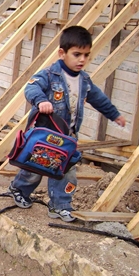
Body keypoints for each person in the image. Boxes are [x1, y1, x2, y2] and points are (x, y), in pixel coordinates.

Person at [9, 25, 126, 222]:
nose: (82, 60)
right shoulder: (48, 75)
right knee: (35, 168)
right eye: (77, 54)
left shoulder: (84, 81)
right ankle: (18, 189)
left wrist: (114, 115)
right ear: (62, 53)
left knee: (65, 171)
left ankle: (60, 205)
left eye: (86, 55)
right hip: (44, 136)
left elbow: (99, 99)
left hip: (67, 138)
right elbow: (31, 87)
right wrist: (41, 101)